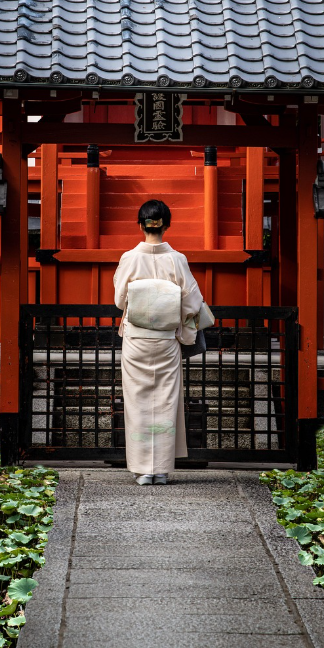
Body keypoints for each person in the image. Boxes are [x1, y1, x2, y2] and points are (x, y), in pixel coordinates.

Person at [113, 200, 204, 485]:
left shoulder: (129, 257)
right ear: (166, 225)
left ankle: (142, 470)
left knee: (138, 401)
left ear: (141, 225)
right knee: (165, 400)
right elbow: (192, 303)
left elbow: (119, 301)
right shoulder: (177, 259)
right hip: (165, 339)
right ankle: (161, 470)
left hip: (137, 339)